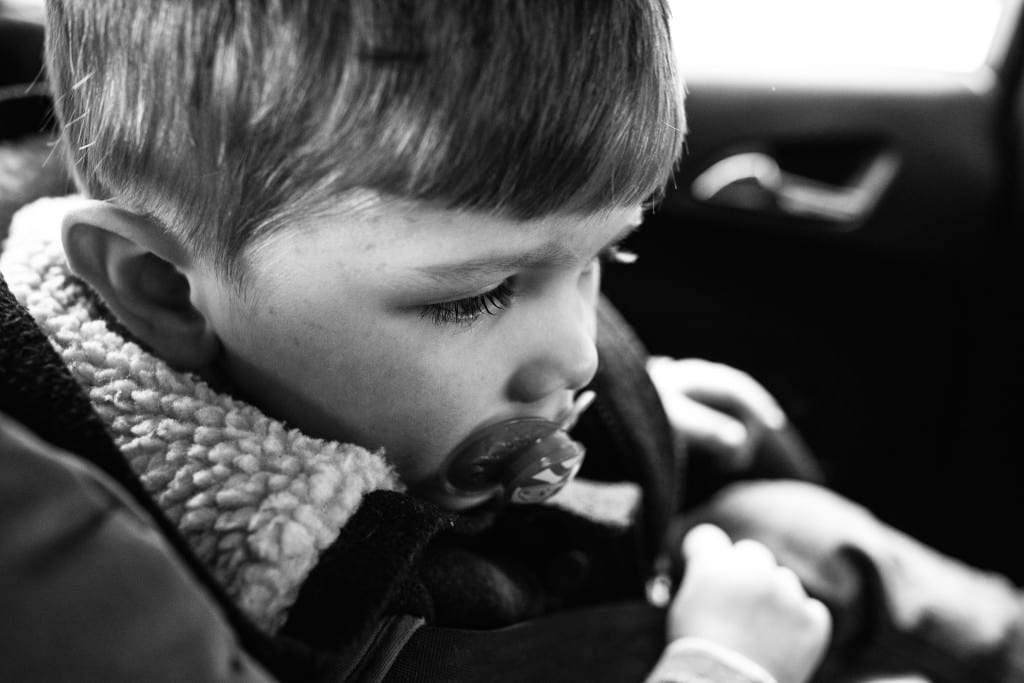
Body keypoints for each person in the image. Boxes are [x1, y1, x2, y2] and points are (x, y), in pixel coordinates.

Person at [1, 1, 1021, 681]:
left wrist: (651, 400)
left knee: (792, 525)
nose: (576, 354)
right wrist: (722, 665)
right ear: (162, 288)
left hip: (647, 562)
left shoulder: (338, 339)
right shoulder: (166, 587)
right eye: (478, 294)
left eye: (601, 261)